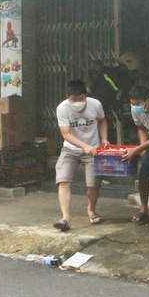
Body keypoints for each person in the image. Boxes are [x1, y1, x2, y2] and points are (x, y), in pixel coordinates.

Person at [53, 79, 108, 231]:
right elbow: (66, 134)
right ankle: (65, 218)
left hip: (94, 149)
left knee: (93, 184)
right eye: (73, 99)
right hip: (70, 149)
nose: (77, 102)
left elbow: (102, 121)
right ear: (67, 97)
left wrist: (104, 138)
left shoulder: (95, 104)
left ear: (86, 95)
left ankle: (91, 209)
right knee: (63, 180)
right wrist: (84, 146)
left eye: (80, 99)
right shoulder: (62, 108)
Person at [122, 84, 149, 225]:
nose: (135, 106)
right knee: (143, 175)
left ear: (148, 100)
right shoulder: (135, 110)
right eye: (133, 103)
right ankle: (144, 210)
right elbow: (141, 128)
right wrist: (143, 147)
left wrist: (137, 149)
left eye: (138, 103)